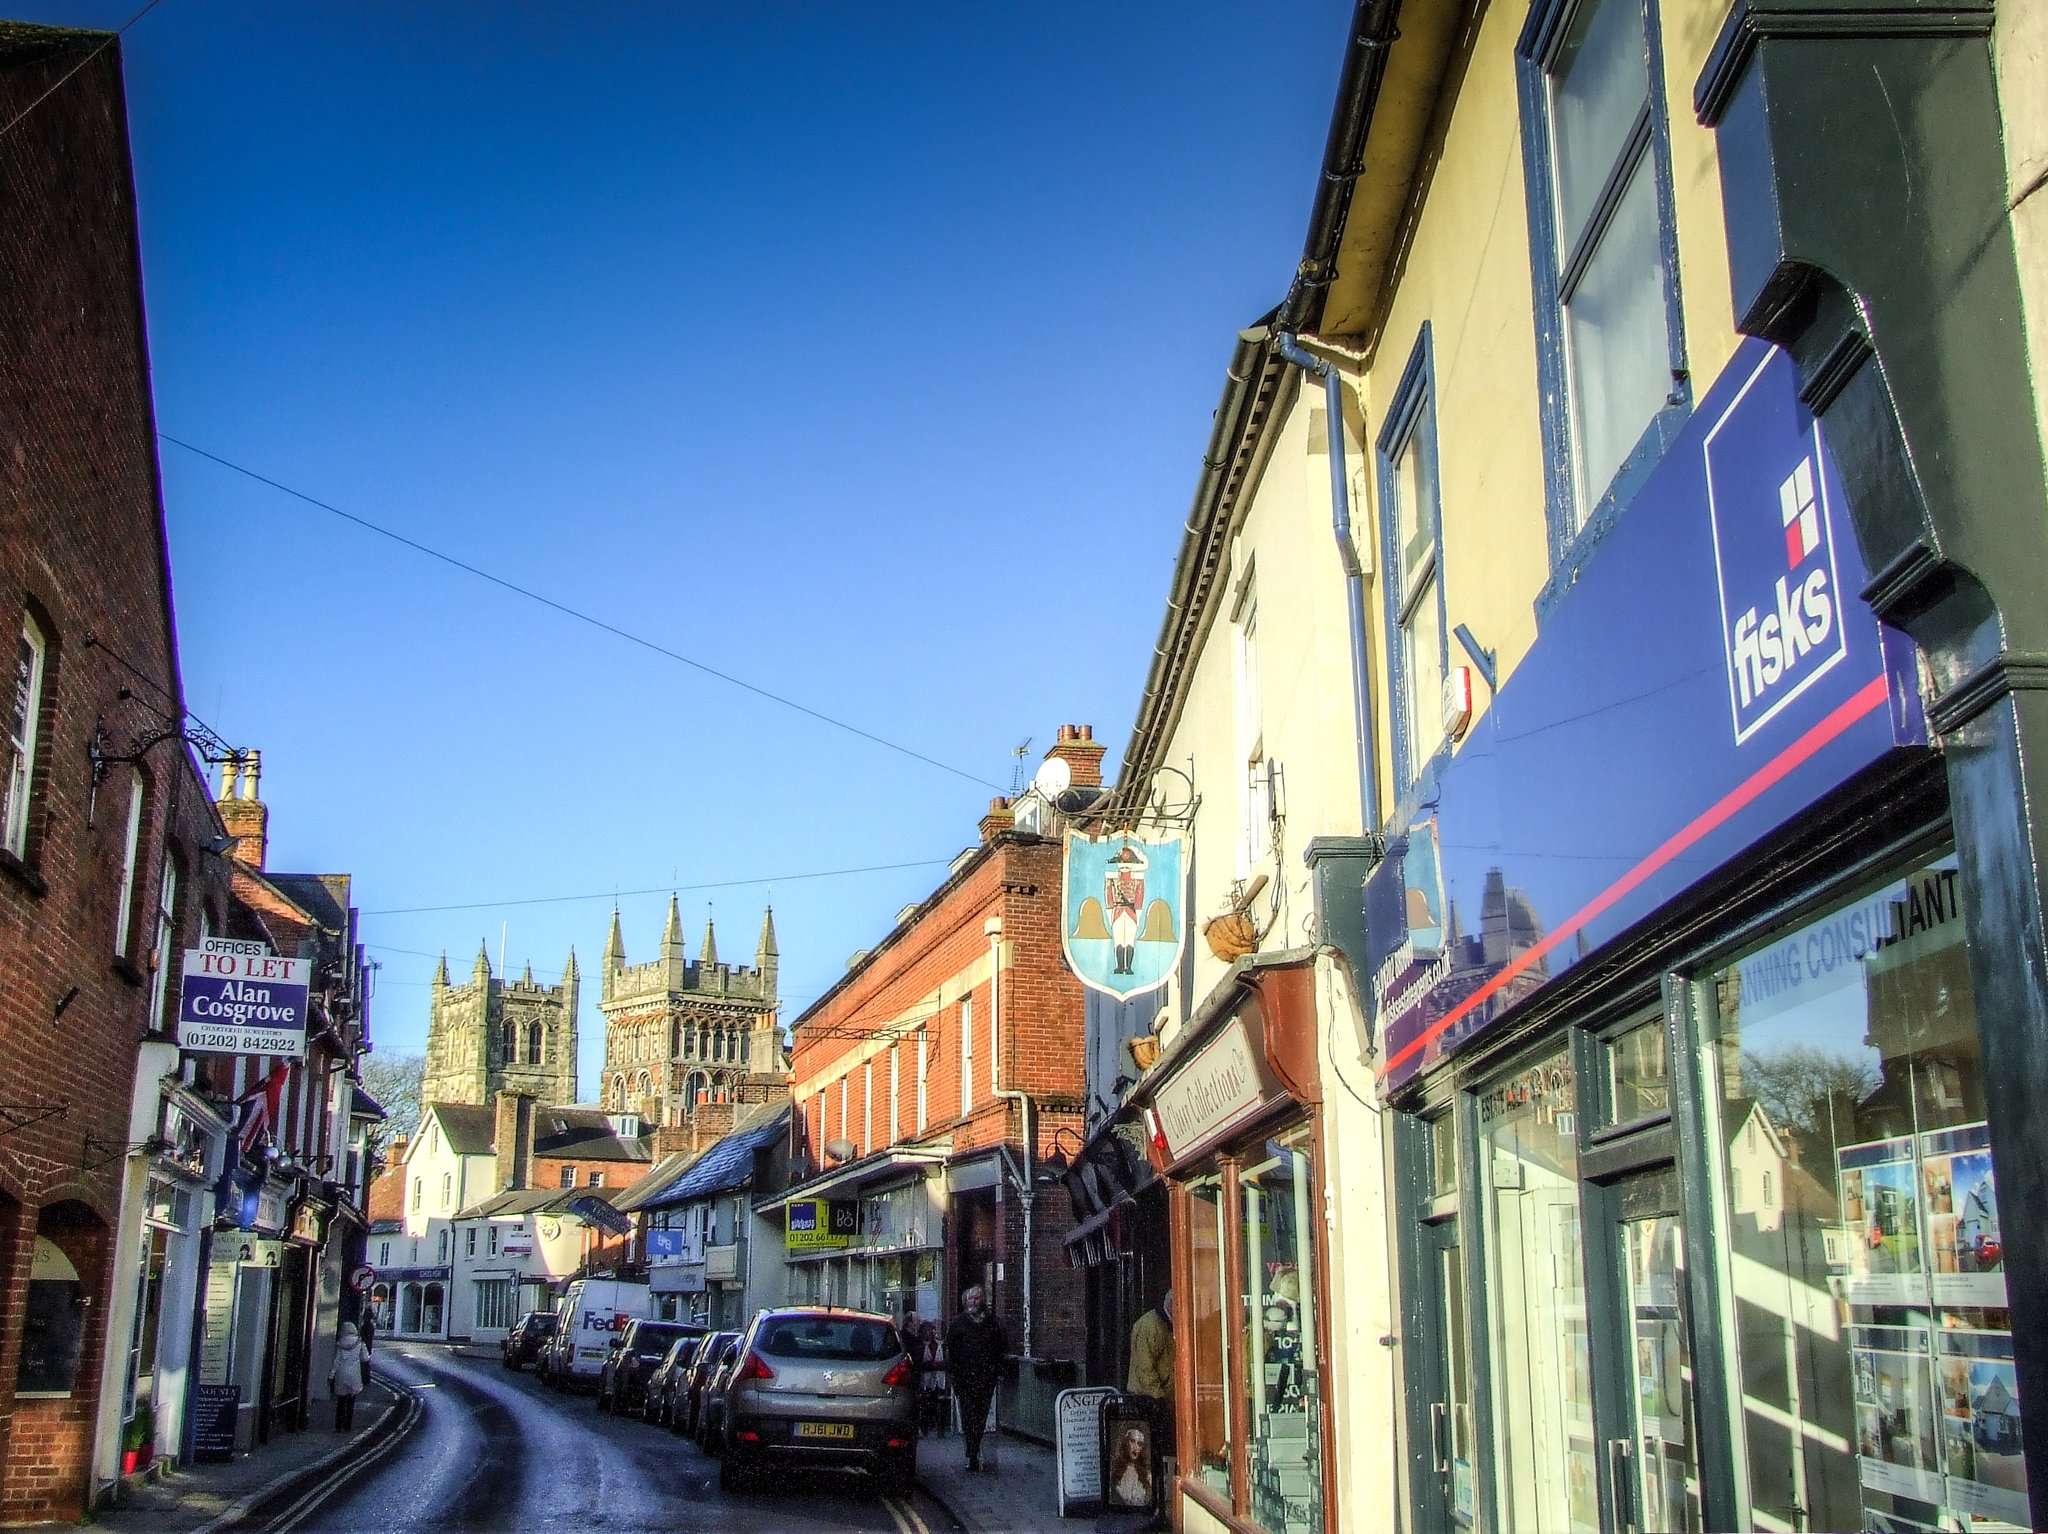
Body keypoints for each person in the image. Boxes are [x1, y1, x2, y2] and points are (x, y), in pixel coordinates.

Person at [944, 1285, 1007, 1472]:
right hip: (964, 1379)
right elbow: (950, 1350)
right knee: (968, 1416)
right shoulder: (958, 1323)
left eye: (977, 1298)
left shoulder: (992, 1323)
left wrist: (998, 1371)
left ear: (983, 1301)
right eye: (971, 1299)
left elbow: (1001, 1347)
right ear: (966, 1301)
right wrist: (952, 1375)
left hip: (985, 1379)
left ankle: (974, 1449)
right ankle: (971, 1453)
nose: (974, 1302)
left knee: (980, 1416)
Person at [1127, 1289, 1174, 1409]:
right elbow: (1145, 1366)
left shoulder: (1165, 1324)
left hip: (1160, 1396)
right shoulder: (1149, 1326)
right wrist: (1158, 1397)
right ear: (1173, 1304)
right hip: (1148, 1398)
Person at [328, 1322, 368, 1430]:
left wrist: (331, 1376)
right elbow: (365, 1358)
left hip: (341, 1374)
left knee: (341, 1401)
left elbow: (336, 1362)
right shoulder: (359, 1342)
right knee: (351, 1401)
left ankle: (338, 1425)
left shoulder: (340, 1343)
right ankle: (347, 1425)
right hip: (354, 1374)